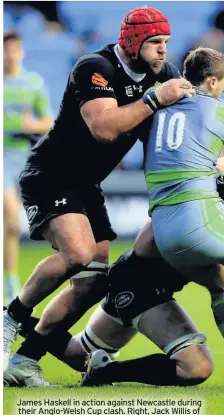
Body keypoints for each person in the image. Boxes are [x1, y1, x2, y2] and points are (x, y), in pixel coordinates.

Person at [80, 47, 224, 388]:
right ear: (210, 80)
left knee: (223, 284)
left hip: (163, 233)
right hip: (189, 227)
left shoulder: (156, 104)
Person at [3, 6, 196, 381]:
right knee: (78, 254)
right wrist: (155, 100)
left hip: (87, 184)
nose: (163, 51)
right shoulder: (95, 67)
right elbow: (104, 128)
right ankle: (11, 316)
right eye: (156, 42)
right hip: (50, 175)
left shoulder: (163, 74)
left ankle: (24, 361)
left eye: (166, 43)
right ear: (134, 41)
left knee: (93, 281)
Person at [3, 31, 53, 305]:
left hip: (24, 158)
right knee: (11, 217)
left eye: (14, 49)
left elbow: (47, 120)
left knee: (12, 228)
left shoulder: (33, 83)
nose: (9, 55)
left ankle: (11, 281)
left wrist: (29, 126)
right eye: (5, 50)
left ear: (21, 52)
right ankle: (10, 285)